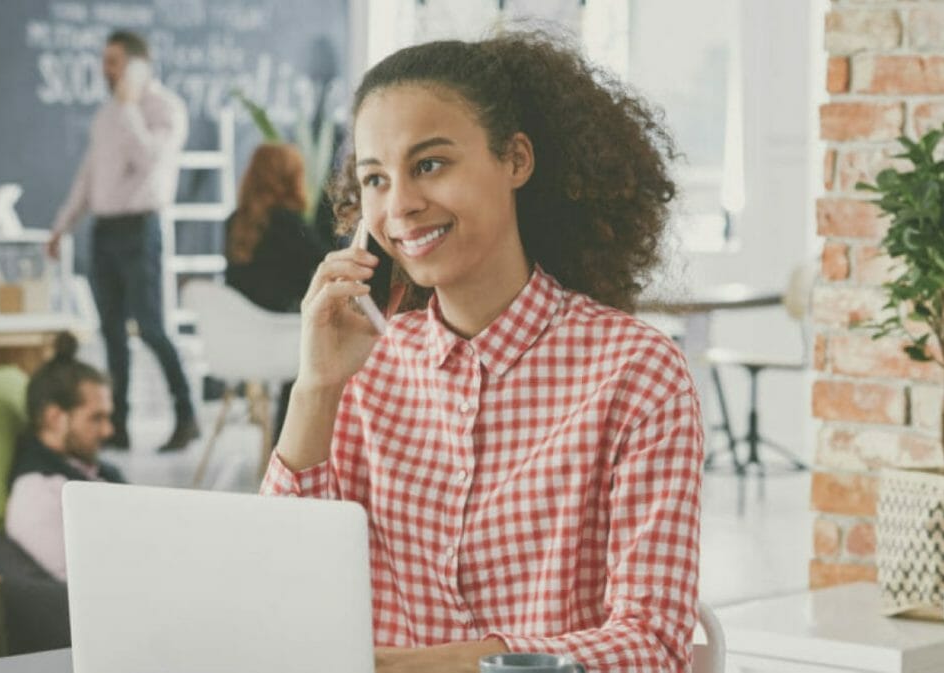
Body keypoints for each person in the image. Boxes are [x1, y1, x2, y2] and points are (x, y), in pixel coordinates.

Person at [261, 31, 703, 673]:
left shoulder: (636, 372)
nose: (402, 205)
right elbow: (278, 595)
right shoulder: (366, 367)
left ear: (516, 160)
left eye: (430, 164)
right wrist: (316, 387)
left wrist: (417, 667)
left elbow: (653, 645)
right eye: (376, 179)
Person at [46, 29, 198, 452]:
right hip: (104, 231)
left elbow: (150, 159)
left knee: (150, 327)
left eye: (112, 61)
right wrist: (62, 225)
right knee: (111, 332)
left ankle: (187, 416)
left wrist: (130, 107)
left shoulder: (165, 109)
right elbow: (88, 177)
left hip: (141, 229)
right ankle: (119, 427)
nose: (104, 70)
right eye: (104, 61)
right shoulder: (106, 114)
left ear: (136, 64)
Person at [224, 142, 331, 439]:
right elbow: (329, 262)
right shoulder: (287, 223)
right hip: (283, 343)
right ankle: (291, 442)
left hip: (241, 344)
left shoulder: (234, 223)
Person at [4, 333, 125, 581]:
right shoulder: (37, 493)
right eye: (96, 418)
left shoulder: (92, 470)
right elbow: (87, 582)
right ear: (55, 417)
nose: (108, 431)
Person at [224, 143, 329, 313]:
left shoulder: (233, 222)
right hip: (281, 324)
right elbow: (325, 260)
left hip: (240, 321)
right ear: (290, 179)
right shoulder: (288, 222)